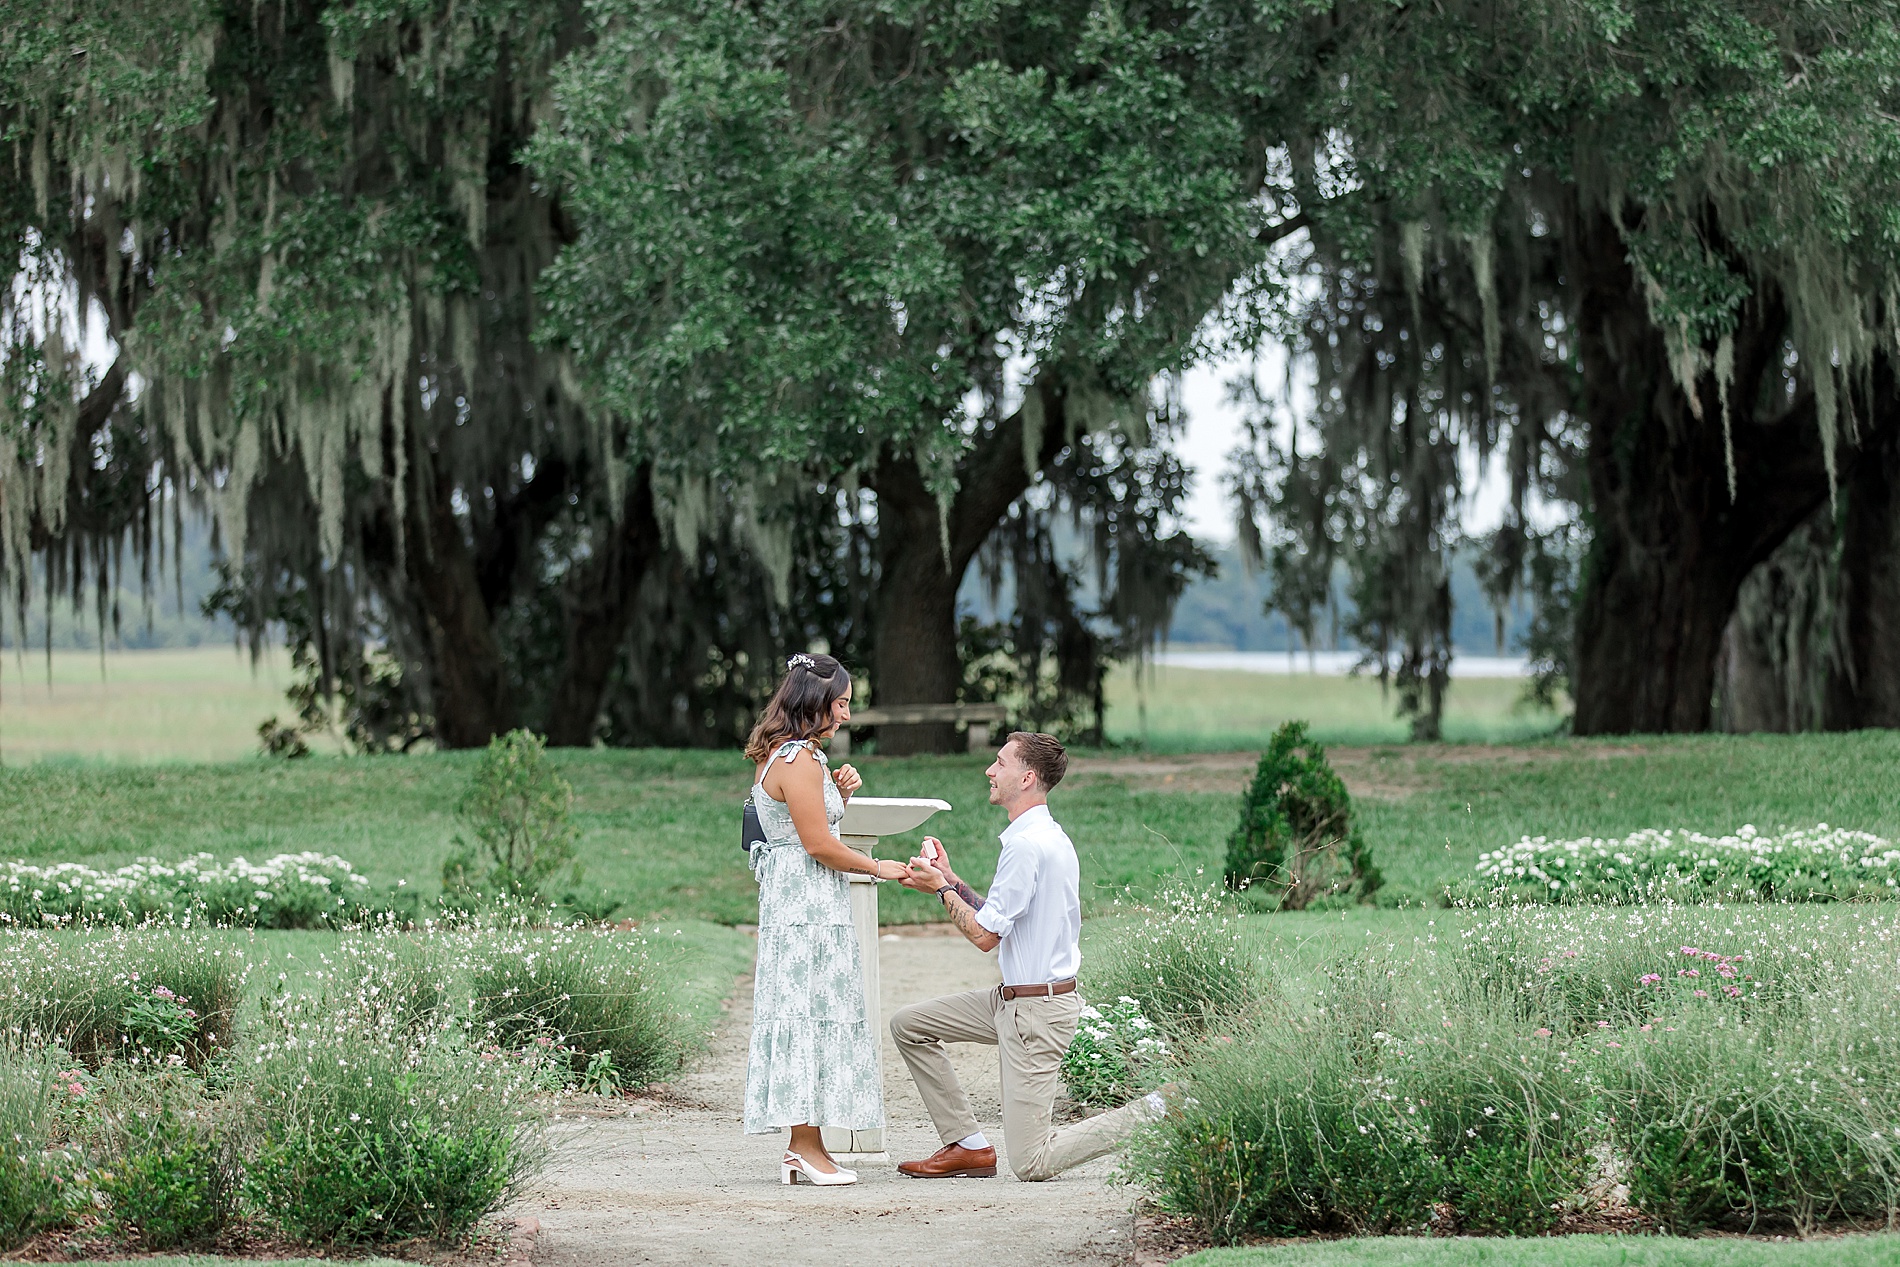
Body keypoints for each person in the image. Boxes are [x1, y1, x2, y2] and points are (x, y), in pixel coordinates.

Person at [891, 731, 1163, 1181]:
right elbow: (999, 917)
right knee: (910, 1025)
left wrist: (937, 889)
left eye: (1000, 763)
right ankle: (967, 1145)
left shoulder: (1026, 845)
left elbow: (983, 937)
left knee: (1031, 1162)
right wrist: (952, 879)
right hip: (1011, 1002)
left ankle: (1163, 1107)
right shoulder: (1044, 836)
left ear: (1027, 777)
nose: (990, 771)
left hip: (1036, 1012)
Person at [742, 652, 910, 1186]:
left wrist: (843, 791)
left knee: (813, 1010)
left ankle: (808, 1147)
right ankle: (801, 1147)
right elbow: (816, 844)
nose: (847, 716)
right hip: (805, 908)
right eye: (842, 704)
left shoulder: (791, 756)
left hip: (806, 902)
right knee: (806, 1011)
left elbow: (808, 823)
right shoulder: (798, 760)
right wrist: (877, 867)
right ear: (816, 704)